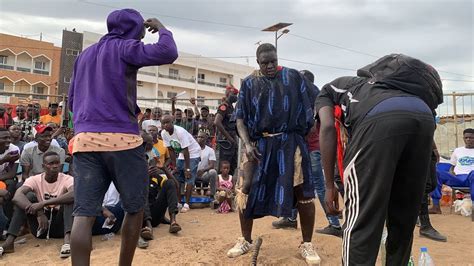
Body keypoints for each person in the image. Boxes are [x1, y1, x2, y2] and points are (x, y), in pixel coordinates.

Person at [68, 8, 178, 266]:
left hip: (84, 141)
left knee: (83, 215)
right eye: (140, 27)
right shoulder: (125, 48)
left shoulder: (84, 56)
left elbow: (72, 101)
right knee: (134, 208)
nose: (142, 33)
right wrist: (162, 28)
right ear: (131, 28)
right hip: (123, 141)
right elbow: (168, 52)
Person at [317, 54, 442, 265]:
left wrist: (329, 186)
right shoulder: (399, 87)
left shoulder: (331, 89)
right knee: (403, 221)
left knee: (361, 221)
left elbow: (328, 127)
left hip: (379, 122)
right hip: (423, 120)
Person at [228, 43, 320, 265]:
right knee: (246, 186)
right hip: (259, 144)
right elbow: (240, 118)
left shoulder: (294, 77)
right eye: (265, 62)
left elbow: (317, 101)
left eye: (273, 61)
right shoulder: (249, 83)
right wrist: (247, 143)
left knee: (302, 190)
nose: (270, 66)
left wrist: (307, 131)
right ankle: (245, 239)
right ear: (257, 62)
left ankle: (307, 244)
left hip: (290, 142)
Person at [272, 70, 342, 237]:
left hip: (311, 148)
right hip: (313, 148)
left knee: (318, 185)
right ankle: (290, 218)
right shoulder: (317, 97)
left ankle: (335, 224)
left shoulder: (311, 97)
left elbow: (311, 127)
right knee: (297, 183)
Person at [0, 151, 74, 258]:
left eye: (57, 163)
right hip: (40, 228)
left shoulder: (68, 179)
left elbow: (74, 194)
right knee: (28, 197)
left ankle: (68, 241)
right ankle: (9, 243)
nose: (55, 166)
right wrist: (39, 212)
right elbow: (17, 197)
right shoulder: (35, 179)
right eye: (51, 163)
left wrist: (44, 203)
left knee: (69, 200)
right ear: (43, 166)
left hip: (61, 225)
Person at [140, 132, 181, 243]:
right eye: (150, 143)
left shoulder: (156, 174)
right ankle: (148, 227)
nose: (153, 144)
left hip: (155, 215)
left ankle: (173, 221)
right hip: (140, 216)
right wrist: (145, 175)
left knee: (170, 183)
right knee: (140, 191)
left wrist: (164, 169)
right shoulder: (135, 170)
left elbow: (176, 186)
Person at [161, 115, 201, 213]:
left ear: (172, 122)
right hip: (182, 154)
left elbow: (186, 150)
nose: (165, 125)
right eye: (163, 123)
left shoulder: (180, 131)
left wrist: (187, 169)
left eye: (167, 122)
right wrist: (174, 165)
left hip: (193, 153)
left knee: (189, 177)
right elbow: (170, 150)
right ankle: (179, 203)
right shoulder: (163, 133)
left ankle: (186, 204)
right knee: (177, 178)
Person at [430, 128, 474, 215]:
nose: (468, 140)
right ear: (463, 138)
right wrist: (451, 172)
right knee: (435, 173)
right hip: (457, 178)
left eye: (471, 138)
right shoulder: (458, 151)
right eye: (466, 138)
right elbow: (452, 166)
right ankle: (436, 206)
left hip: (471, 178)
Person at [417, 142, 447, 242]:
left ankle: (417, 216)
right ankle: (425, 226)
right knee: (422, 186)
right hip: (412, 144)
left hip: (427, 147)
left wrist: (434, 147)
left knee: (431, 185)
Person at [215, 86, 239, 176]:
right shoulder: (224, 106)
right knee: (224, 165)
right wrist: (228, 137)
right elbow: (217, 122)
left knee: (233, 163)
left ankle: (229, 185)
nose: (236, 96)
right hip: (226, 140)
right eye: (234, 94)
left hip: (233, 138)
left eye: (236, 95)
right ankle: (220, 187)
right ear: (228, 94)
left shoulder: (231, 108)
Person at [196, 131, 217, 197]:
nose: (199, 138)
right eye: (198, 137)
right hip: (193, 173)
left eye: (202, 137)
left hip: (204, 174)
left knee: (213, 172)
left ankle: (212, 195)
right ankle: (183, 194)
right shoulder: (192, 149)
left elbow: (211, 165)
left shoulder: (210, 150)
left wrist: (203, 170)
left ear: (205, 139)